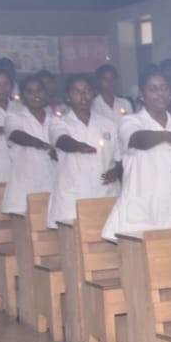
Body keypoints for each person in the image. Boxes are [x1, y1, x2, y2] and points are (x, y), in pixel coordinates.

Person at [101, 67, 171, 242]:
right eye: (153, 89)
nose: (159, 93)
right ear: (142, 94)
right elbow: (137, 139)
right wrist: (164, 136)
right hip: (144, 212)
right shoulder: (129, 122)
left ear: (170, 93)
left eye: (163, 88)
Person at [46, 74, 120, 229]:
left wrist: (116, 172)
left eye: (87, 91)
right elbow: (61, 140)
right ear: (68, 97)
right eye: (77, 92)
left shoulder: (109, 124)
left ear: (94, 93)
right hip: (72, 197)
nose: (83, 96)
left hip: (105, 193)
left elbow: (119, 158)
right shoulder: (59, 122)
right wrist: (78, 146)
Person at [1, 75, 58, 216]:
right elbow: (15, 134)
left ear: (46, 93)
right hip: (24, 189)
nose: (36, 95)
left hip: (51, 184)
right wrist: (40, 143)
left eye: (40, 90)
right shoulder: (14, 117)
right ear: (22, 97)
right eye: (30, 92)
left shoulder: (55, 120)